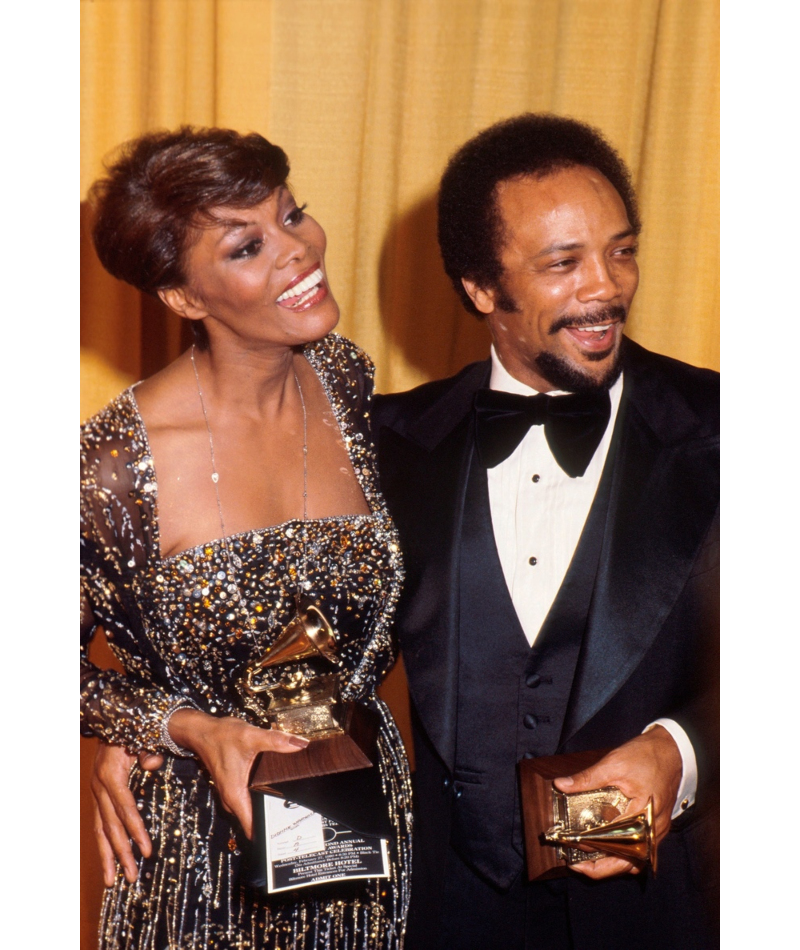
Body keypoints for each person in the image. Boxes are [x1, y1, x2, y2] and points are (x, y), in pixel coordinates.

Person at [372, 113, 719, 949]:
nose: (606, 287)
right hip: (444, 915)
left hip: (663, 914)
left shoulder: (734, 428)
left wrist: (684, 750)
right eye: (563, 263)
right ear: (482, 288)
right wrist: (158, 732)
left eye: (621, 250)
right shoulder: (384, 441)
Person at [81, 126, 412, 950]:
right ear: (185, 298)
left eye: (293, 214)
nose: (299, 250)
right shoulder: (109, 469)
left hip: (362, 819)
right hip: (198, 851)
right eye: (247, 246)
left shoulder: (345, 378)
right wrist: (178, 726)